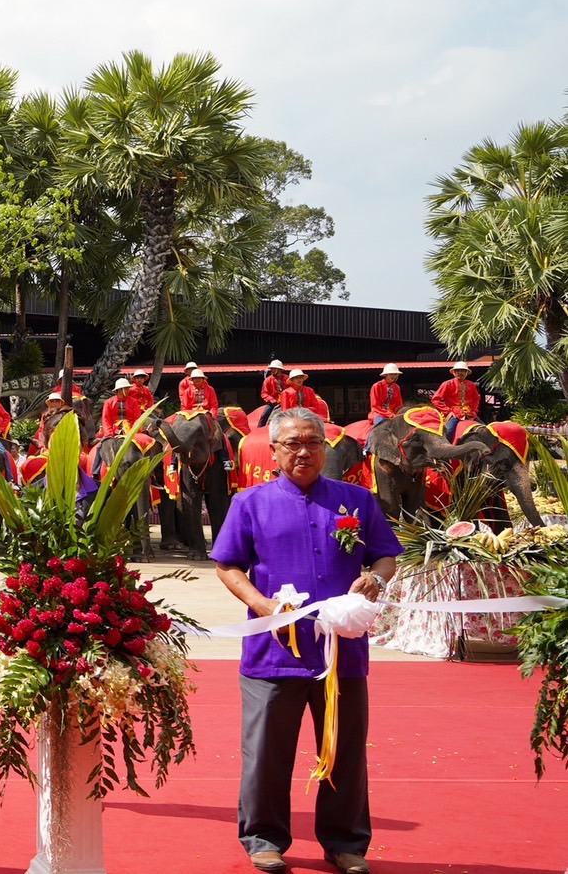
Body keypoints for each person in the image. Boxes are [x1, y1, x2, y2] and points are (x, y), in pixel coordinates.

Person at [211, 407, 400, 874]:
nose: (303, 452)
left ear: (326, 448)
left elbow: (386, 559)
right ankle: (263, 839)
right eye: (292, 443)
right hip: (273, 654)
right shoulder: (248, 504)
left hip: (342, 652)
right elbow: (227, 565)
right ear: (273, 451)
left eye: (313, 443)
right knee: (266, 752)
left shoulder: (356, 501)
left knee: (346, 749)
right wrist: (261, 605)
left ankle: (345, 842)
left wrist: (375, 580)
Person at [431, 360, 481, 441]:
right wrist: (448, 411)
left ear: (466, 373)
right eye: (457, 371)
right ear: (454, 372)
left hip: (469, 413)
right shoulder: (447, 384)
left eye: (463, 371)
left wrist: (474, 410)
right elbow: (436, 400)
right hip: (454, 414)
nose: (460, 373)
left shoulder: (471, 385)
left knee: (486, 430)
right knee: (448, 432)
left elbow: (476, 398)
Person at [368, 365, 403, 429]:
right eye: (391, 374)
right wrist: (388, 414)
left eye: (395, 374)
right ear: (385, 375)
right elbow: (375, 406)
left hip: (393, 414)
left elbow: (399, 405)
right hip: (378, 414)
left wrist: (399, 414)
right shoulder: (376, 386)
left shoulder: (397, 387)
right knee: (380, 426)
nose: (393, 376)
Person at [257, 360, 287, 427]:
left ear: (279, 369)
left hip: (287, 402)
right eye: (271, 368)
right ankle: (259, 429)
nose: (271, 370)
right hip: (274, 403)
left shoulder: (287, 379)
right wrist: (272, 399)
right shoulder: (268, 380)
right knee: (264, 416)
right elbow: (264, 393)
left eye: (273, 368)